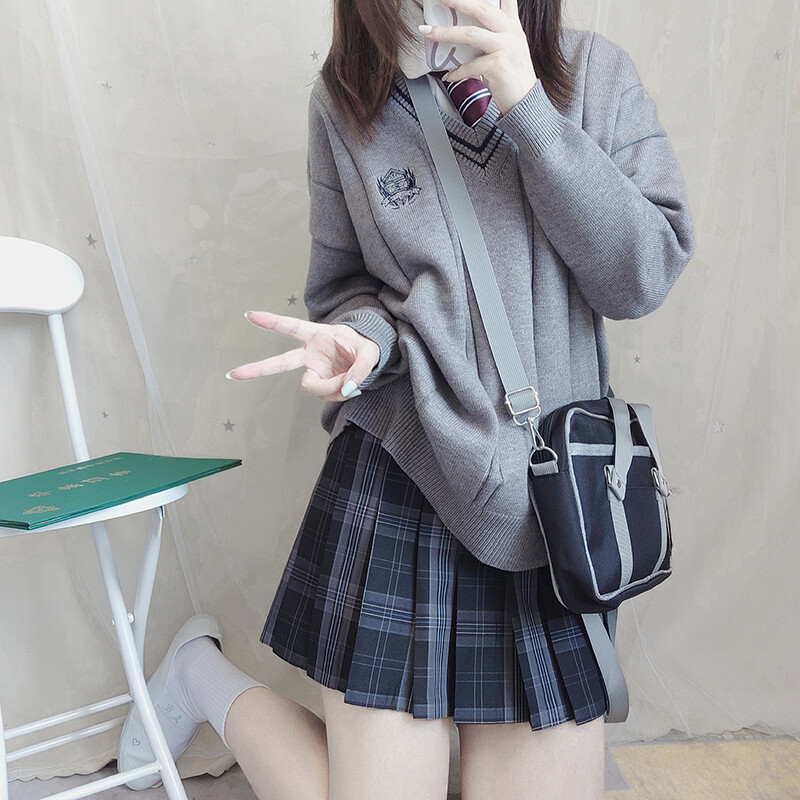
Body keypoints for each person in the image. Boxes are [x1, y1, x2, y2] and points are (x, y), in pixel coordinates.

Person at [118, 0, 694, 797]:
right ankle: (199, 676)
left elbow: (641, 276)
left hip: (548, 508)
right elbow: (347, 288)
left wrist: (529, 108)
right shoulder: (348, 100)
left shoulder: (593, 74)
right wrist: (364, 343)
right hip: (405, 468)